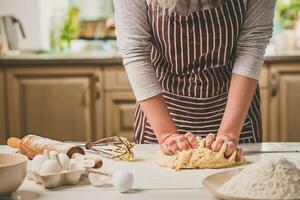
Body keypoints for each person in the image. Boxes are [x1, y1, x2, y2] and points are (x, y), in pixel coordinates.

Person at [113, 0, 275, 158]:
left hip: (235, 115)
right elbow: (135, 49)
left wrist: (228, 134)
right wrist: (166, 135)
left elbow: (252, 44)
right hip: (161, 113)